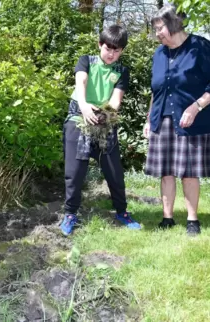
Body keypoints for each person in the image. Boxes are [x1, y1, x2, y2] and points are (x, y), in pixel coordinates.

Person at [143, 5, 210, 235]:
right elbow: (156, 90)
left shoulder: (200, 47)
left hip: (191, 119)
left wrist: (197, 106)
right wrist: (150, 118)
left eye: (160, 28)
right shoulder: (159, 54)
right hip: (162, 118)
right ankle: (167, 219)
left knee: (189, 171)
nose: (157, 34)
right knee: (165, 171)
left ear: (173, 25)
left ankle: (192, 220)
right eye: (156, 29)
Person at [60, 24, 141, 236]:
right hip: (78, 116)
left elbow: (115, 101)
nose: (111, 54)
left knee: (114, 172)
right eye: (108, 48)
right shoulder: (86, 60)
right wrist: (85, 105)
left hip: (105, 120)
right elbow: (81, 81)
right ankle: (70, 214)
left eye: (117, 50)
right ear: (100, 45)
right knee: (74, 173)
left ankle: (122, 212)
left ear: (122, 51)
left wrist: (102, 116)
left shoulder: (122, 71)